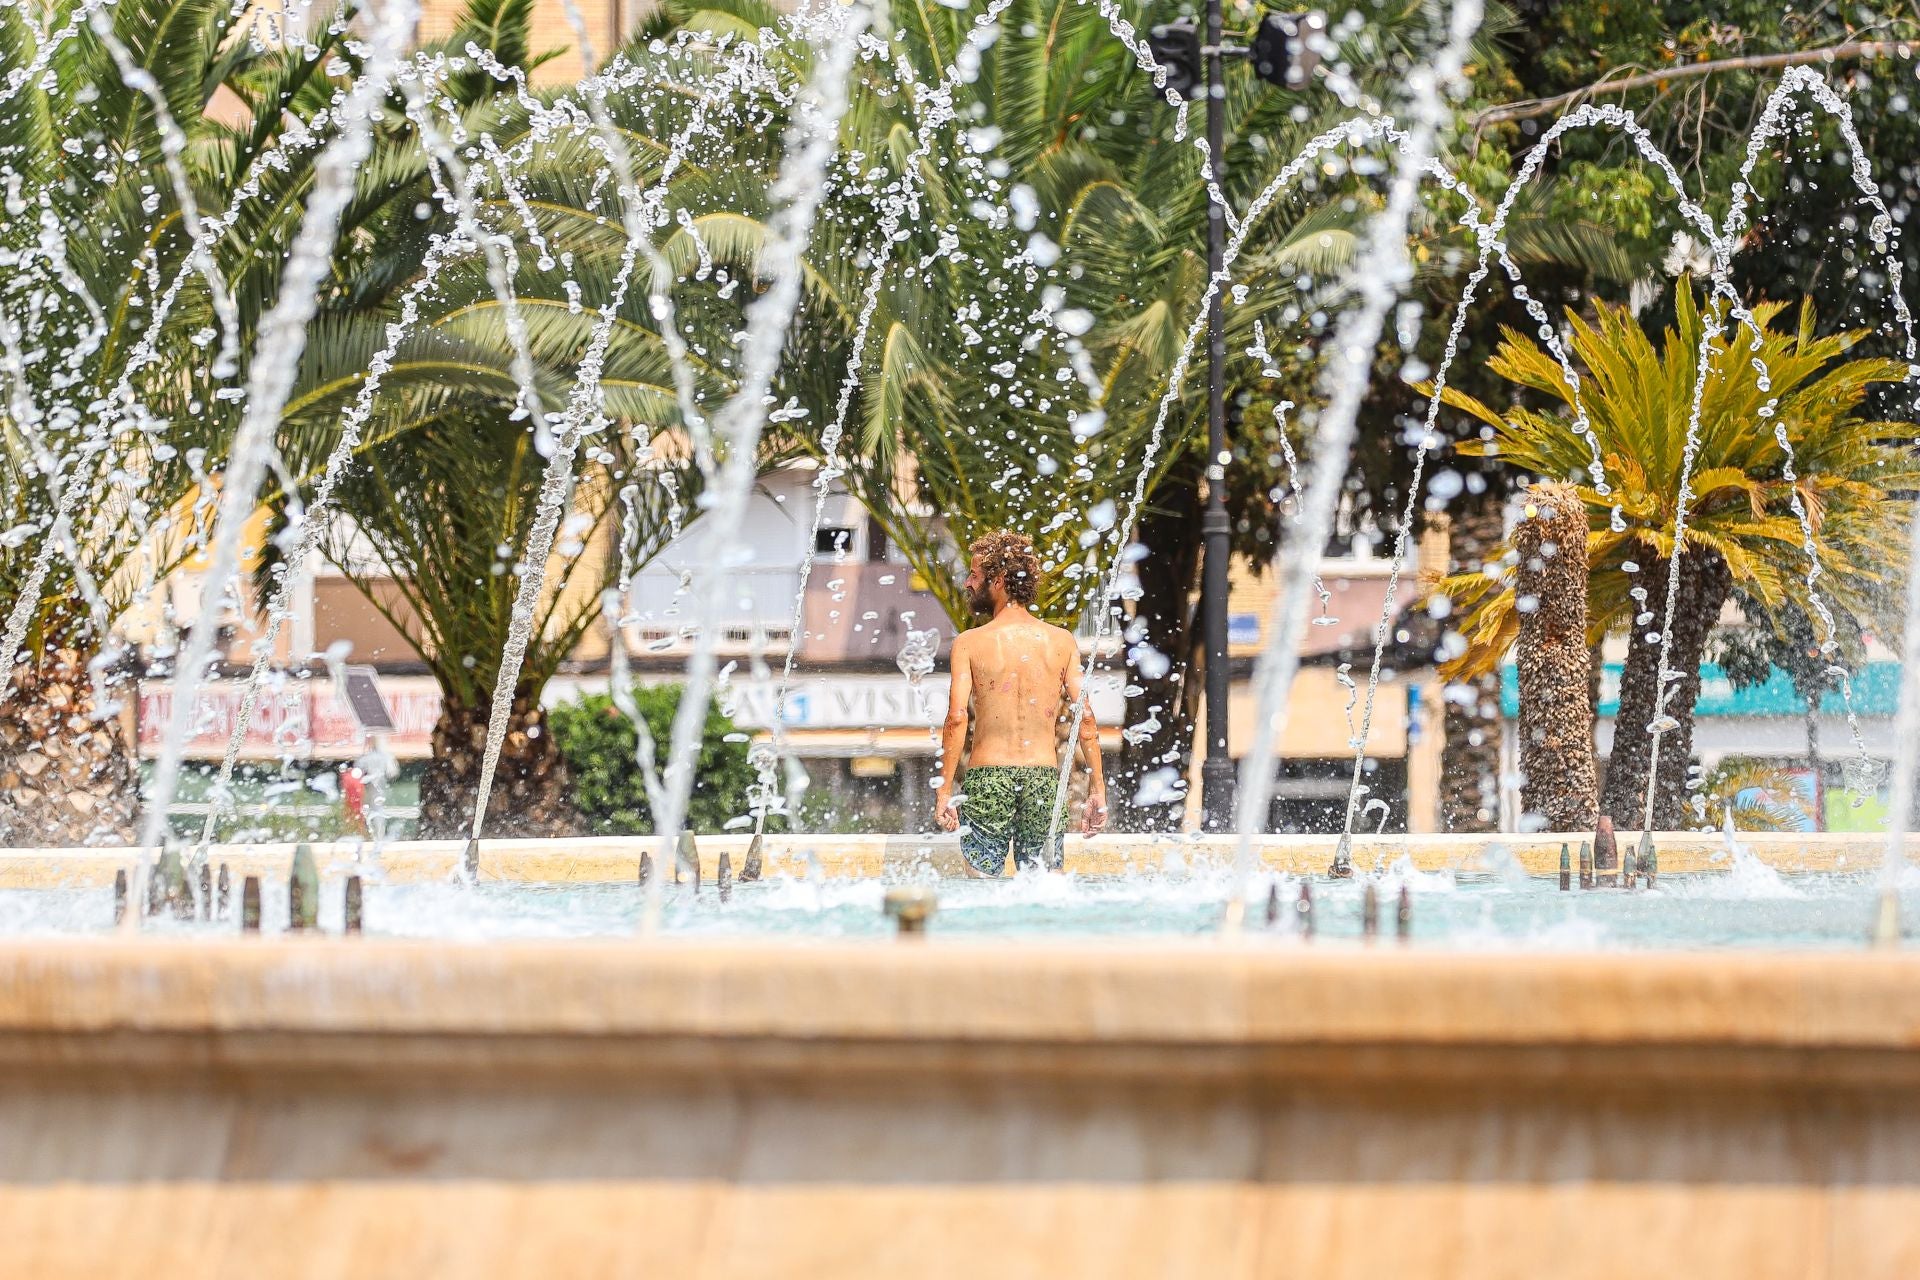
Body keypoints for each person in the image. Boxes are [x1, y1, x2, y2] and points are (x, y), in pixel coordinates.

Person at [933, 531, 1107, 875]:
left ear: (997, 581)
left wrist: (943, 791)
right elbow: (1084, 718)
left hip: (987, 777)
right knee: (1045, 886)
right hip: (1043, 777)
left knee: (981, 886)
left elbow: (956, 719)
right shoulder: (1061, 640)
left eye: (974, 575)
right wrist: (1097, 789)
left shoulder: (969, 643)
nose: (968, 583)